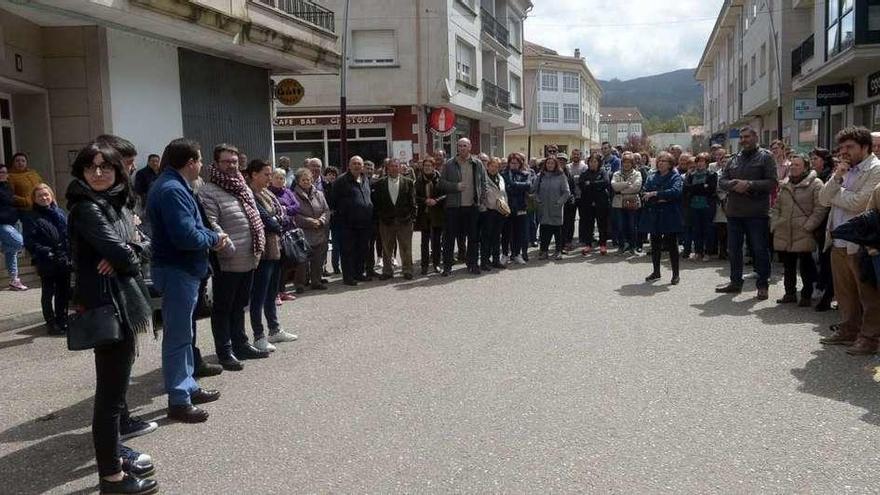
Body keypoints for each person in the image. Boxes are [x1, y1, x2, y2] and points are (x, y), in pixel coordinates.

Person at [66, 142, 157, 495]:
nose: (99, 173)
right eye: (91, 168)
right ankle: (111, 478)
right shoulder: (87, 207)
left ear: (119, 171)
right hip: (108, 305)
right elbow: (124, 253)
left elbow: (142, 245)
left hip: (122, 300)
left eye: (106, 167)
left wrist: (129, 249)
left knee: (115, 395)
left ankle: (113, 465)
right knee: (110, 398)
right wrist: (127, 251)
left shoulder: (118, 203)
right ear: (82, 172)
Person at [146, 138, 225, 423]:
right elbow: (186, 235)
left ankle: (188, 386)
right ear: (190, 162)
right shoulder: (170, 189)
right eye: (200, 160)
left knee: (184, 335)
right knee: (178, 337)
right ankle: (179, 399)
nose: (202, 165)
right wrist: (214, 238)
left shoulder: (174, 185)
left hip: (181, 270)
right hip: (177, 270)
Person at [200, 144, 269, 369]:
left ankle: (241, 344)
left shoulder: (243, 186)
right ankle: (225, 350)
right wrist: (227, 248)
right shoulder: (208, 190)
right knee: (223, 307)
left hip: (249, 256)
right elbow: (211, 223)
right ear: (216, 163)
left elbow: (254, 215)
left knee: (240, 304)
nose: (231, 165)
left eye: (234, 161)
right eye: (226, 161)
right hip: (227, 259)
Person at [819, 126, 880, 355]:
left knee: (868, 294)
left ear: (865, 147)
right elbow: (824, 199)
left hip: (862, 243)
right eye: (842, 147)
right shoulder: (843, 169)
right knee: (845, 293)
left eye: (850, 147)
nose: (844, 152)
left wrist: (836, 193)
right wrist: (837, 177)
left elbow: (860, 204)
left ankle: (870, 338)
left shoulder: (875, 169)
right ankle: (848, 330)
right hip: (838, 240)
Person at [716, 125, 778, 300]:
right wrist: (734, 184)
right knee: (734, 249)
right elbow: (722, 181)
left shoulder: (766, 157)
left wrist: (750, 184)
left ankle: (763, 285)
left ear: (755, 137)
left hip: (757, 213)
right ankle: (735, 282)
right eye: (741, 137)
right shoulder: (734, 159)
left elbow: (772, 182)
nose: (743, 140)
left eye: (747, 137)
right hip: (734, 212)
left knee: (759, 249)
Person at [246, 159, 298, 352]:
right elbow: (269, 221)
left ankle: (274, 329)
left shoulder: (267, 193)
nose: (270, 178)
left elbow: (284, 215)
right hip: (262, 251)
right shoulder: (250, 194)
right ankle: (258, 335)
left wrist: (279, 218)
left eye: (270, 174)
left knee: (272, 293)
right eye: (266, 174)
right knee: (258, 295)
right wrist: (279, 219)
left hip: (276, 248)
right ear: (254, 174)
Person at [770, 154, 827, 306]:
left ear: (806, 167)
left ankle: (806, 295)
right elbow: (776, 207)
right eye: (792, 165)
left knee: (806, 264)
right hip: (785, 230)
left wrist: (809, 226)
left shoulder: (816, 184)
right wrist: (775, 223)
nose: (793, 167)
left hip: (804, 231)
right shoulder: (786, 184)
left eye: (797, 165)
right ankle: (789, 293)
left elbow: (820, 208)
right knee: (788, 265)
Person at [23, 183, 70, 334]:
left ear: (51, 196)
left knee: (63, 292)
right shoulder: (31, 217)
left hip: (64, 258)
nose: (44, 198)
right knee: (48, 292)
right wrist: (47, 252)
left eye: (46, 194)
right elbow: (30, 242)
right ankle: (51, 323)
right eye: (40, 196)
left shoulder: (59, 213)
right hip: (47, 260)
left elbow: (68, 234)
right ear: (34, 199)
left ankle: (62, 319)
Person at [439, 138, 487, 276]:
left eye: (464, 146)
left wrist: (481, 199)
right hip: (453, 207)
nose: (462, 148)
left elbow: (483, 183)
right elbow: (441, 183)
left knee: (473, 238)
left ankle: (472, 264)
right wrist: (455, 186)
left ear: (470, 147)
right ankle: (447, 266)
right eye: (459, 146)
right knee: (449, 238)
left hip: (472, 207)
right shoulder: (449, 164)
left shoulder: (477, 164)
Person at [641, 152, 684, 285]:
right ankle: (656, 272)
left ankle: (675, 274)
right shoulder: (652, 176)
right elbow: (644, 191)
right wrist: (660, 197)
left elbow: (675, 192)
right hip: (654, 213)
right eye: (659, 160)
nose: (660, 163)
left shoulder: (675, 176)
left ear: (670, 164)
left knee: (672, 245)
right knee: (655, 244)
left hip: (670, 214)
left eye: (663, 161)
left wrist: (656, 194)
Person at [331, 156, 374, 286]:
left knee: (362, 250)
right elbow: (333, 201)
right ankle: (348, 277)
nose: (357, 166)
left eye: (359, 164)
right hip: (347, 223)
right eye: (354, 164)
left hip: (364, 222)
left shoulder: (365, 179)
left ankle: (359, 273)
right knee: (348, 251)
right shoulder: (341, 181)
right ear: (349, 165)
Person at [372, 158, 416, 280]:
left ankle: (407, 270)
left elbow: (412, 202)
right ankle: (387, 271)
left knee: (406, 247)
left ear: (400, 168)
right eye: (391, 166)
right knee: (387, 247)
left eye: (396, 166)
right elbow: (377, 203)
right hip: (386, 222)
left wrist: (413, 218)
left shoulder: (408, 182)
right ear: (387, 168)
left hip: (405, 221)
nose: (394, 168)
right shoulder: (379, 183)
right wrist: (380, 218)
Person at [292, 167, 330, 290]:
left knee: (318, 259)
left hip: (319, 230)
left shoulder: (319, 194)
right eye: (303, 180)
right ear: (298, 181)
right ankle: (300, 284)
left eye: (308, 179)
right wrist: (309, 222)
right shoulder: (293, 195)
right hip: (303, 232)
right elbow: (294, 214)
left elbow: (326, 210)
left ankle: (316, 281)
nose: (306, 182)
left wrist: (321, 221)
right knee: (302, 261)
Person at [269, 168, 300, 302]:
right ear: (272, 179)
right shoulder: (269, 193)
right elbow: (272, 212)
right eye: (277, 178)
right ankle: (274, 293)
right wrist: (284, 212)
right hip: (275, 233)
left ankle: (282, 291)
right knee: (275, 265)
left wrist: (285, 209)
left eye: (282, 178)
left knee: (285, 264)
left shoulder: (288, 192)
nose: (280, 180)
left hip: (288, 233)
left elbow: (297, 206)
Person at [810, 148, 835, 311]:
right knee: (822, 256)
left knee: (826, 258)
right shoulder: (815, 176)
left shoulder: (828, 176)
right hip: (820, 223)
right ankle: (822, 286)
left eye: (816, 158)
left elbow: (826, 202)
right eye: (811, 159)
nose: (813, 161)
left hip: (827, 222)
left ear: (824, 160)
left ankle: (824, 289)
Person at [532, 156, 571, 260]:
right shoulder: (540, 176)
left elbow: (566, 192)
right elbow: (534, 191)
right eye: (548, 163)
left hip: (556, 208)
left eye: (552, 163)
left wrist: (559, 203)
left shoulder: (561, 175)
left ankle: (558, 251)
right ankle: (544, 251)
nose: (550, 165)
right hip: (543, 208)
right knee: (544, 230)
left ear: (556, 165)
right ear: (545, 164)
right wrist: (538, 200)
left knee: (557, 230)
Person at [683, 152, 718, 262]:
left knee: (708, 229)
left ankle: (708, 252)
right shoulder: (690, 175)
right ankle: (698, 252)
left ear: (707, 163)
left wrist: (695, 189)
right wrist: (702, 187)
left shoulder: (712, 175)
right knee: (696, 230)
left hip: (707, 206)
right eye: (698, 161)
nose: (699, 164)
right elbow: (686, 189)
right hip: (694, 206)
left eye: (702, 161)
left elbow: (710, 190)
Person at [414, 157, 445, 275]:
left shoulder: (440, 179)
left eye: (430, 166)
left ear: (433, 167)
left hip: (437, 213)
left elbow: (445, 194)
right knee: (424, 241)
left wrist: (436, 200)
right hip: (424, 214)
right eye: (425, 165)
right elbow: (414, 196)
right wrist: (424, 201)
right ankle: (424, 265)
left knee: (436, 241)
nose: (427, 168)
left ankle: (436, 264)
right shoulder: (418, 181)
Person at [502, 152, 533, 264]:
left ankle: (516, 254)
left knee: (519, 232)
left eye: (516, 163)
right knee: (506, 232)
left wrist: (512, 184)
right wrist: (517, 186)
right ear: (509, 163)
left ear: (520, 164)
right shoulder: (503, 174)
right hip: (506, 207)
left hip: (521, 206)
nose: (514, 165)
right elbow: (505, 189)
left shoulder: (525, 174)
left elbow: (528, 185)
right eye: (512, 162)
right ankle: (505, 254)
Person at [0, 164, 27, 290]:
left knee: (12, 252)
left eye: (4, 172)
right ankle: (2, 247)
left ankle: (14, 280)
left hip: (14, 222)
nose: (2, 174)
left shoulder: (8, 186)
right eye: (0, 172)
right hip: (2, 223)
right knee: (19, 243)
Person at [611, 151, 643, 255]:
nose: (626, 164)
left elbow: (636, 187)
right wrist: (626, 184)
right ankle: (621, 246)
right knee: (620, 226)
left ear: (632, 163)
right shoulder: (616, 173)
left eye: (629, 162)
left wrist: (620, 190)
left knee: (632, 226)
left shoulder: (637, 173)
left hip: (632, 202)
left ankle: (632, 246)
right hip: (618, 204)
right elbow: (614, 186)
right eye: (624, 162)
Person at [579, 153, 611, 255]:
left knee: (602, 224)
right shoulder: (584, 173)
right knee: (588, 224)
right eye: (591, 162)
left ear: (599, 163)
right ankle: (588, 244)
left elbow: (606, 182)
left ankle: (603, 245)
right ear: (588, 163)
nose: (593, 164)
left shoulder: (603, 172)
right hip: (587, 203)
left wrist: (591, 183)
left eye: (595, 162)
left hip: (601, 202)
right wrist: (596, 185)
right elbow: (582, 185)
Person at [480, 156, 509, 270]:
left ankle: (495, 260)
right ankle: (484, 261)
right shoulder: (483, 178)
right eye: (492, 166)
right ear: (488, 166)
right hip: (488, 211)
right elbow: (480, 194)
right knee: (486, 237)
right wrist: (483, 207)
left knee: (497, 237)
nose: (494, 168)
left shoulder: (500, 178)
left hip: (499, 211)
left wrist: (506, 207)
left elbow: (504, 194)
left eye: (496, 166)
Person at [323, 166, 341, 274]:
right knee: (323, 245)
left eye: (334, 175)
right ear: (326, 176)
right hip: (325, 218)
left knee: (336, 244)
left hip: (336, 219)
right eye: (329, 174)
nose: (332, 176)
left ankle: (336, 266)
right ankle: (323, 267)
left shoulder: (339, 187)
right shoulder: (323, 188)